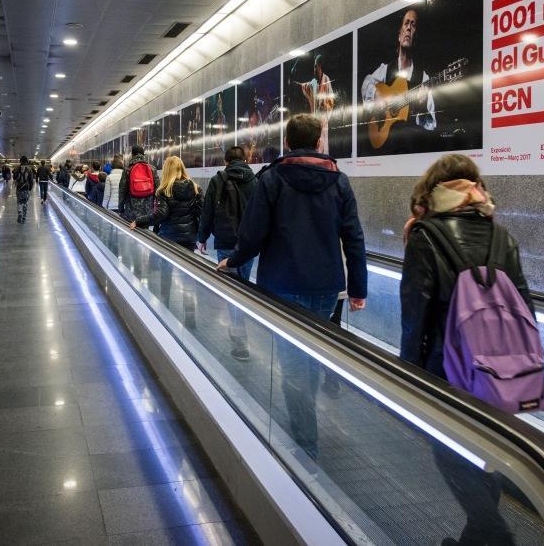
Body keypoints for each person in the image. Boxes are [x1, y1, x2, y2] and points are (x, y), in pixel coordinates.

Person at [217, 114, 367, 461]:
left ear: (287, 142)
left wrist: (234, 260)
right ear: (318, 143)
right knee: (310, 356)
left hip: (281, 284)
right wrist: (358, 288)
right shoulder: (339, 181)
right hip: (327, 287)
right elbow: (354, 238)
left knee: (292, 363)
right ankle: (305, 429)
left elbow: (253, 233)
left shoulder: (271, 179)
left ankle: (305, 444)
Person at [400, 154, 531, 546]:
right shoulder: (501, 235)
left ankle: (492, 531)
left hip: (448, 365)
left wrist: (407, 372)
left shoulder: (425, 235)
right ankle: (479, 532)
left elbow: (416, 310)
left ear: (433, 190)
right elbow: (524, 303)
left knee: (449, 449)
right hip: (501, 363)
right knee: (485, 446)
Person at [197, 146, 258, 360]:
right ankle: (243, 326)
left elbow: (208, 211)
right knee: (243, 282)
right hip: (248, 244)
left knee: (232, 289)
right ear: (245, 159)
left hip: (224, 240)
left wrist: (202, 238)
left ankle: (240, 340)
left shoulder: (218, 179)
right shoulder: (255, 180)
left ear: (226, 161)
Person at [130, 155, 201, 324]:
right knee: (188, 278)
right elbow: (200, 213)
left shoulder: (164, 191)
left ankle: (164, 309)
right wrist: (199, 235)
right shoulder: (195, 188)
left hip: (168, 239)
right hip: (189, 239)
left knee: (166, 276)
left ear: (167, 170)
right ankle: (190, 317)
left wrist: (139, 220)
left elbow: (160, 215)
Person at [360, 7, 436, 153]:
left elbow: (431, 125)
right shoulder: (386, 69)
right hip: (382, 146)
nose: (408, 28)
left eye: (413, 25)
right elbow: (366, 83)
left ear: (416, 36)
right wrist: (377, 94)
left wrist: (421, 109)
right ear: (399, 35)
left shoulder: (424, 79)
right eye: (406, 23)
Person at [291, 54, 335, 156]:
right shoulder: (314, 82)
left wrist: (325, 106)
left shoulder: (326, 79)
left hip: (323, 120)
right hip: (315, 121)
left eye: (315, 66)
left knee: (324, 146)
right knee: (316, 146)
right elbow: (306, 85)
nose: (314, 69)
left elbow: (331, 99)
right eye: (314, 67)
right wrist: (298, 84)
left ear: (320, 66)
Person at [118, 145, 159, 224]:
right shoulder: (152, 168)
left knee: (131, 230)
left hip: (131, 210)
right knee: (145, 233)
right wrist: (156, 208)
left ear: (132, 155)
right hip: (148, 211)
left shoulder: (127, 170)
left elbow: (122, 190)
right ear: (143, 155)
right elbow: (157, 189)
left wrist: (120, 208)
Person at [14, 156, 35, 224]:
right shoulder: (29, 170)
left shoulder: (17, 168)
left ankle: (20, 213)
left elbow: (14, 177)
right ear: (26, 161)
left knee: (19, 202)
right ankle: (24, 218)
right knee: (25, 203)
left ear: (20, 161)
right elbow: (31, 181)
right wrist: (30, 188)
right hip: (26, 189)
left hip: (19, 188)